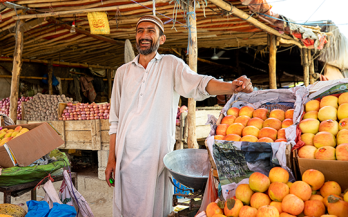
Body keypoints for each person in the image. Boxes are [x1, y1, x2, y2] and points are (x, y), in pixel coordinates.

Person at [105, 15, 253, 217]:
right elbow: (115, 120)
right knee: (126, 207)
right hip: (125, 154)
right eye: (140, 31)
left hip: (155, 154)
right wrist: (111, 159)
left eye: (150, 31)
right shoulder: (123, 72)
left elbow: (199, 83)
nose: (144, 35)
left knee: (154, 207)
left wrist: (231, 86)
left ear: (161, 39)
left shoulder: (170, 65)